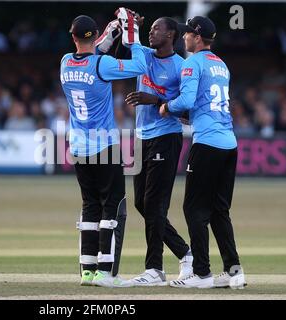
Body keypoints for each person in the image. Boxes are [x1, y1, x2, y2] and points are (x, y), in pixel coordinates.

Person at [60, 11, 147, 288]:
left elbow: (92, 49)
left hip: (78, 146)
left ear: (72, 37)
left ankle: (87, 271)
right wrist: (131, 36)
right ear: (94, 34)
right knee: (113, 205)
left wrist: (113, 31)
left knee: (89, 206)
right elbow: (140, 66)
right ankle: (106, 273)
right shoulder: (103, 64)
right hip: (106, 146)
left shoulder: (64, 62)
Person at [158, 16, 246, 289]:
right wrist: (192, 116)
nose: (184, 37)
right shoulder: (221, 64)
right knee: (219, 210)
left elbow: (185, 100)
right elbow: (207, 102)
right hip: (229, 143)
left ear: (197, 37)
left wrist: (166, 107)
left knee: (194, 209)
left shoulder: (192, 63)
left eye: (187, 34)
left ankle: (202, 274)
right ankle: (234, 271)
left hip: (206, 143)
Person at [123, 16, 193, 286]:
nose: (151, 33)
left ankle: (154, 269)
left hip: (167, 137)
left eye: (156, 29)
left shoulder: (182, 67)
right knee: (142, 203)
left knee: (154, 203)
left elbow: (188, 112)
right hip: (142, 137)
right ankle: (186, 253)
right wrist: (128, 21)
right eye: (149, 29)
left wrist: (158, 100)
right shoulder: (142, 55)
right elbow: (128, 42)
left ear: (171, 35)